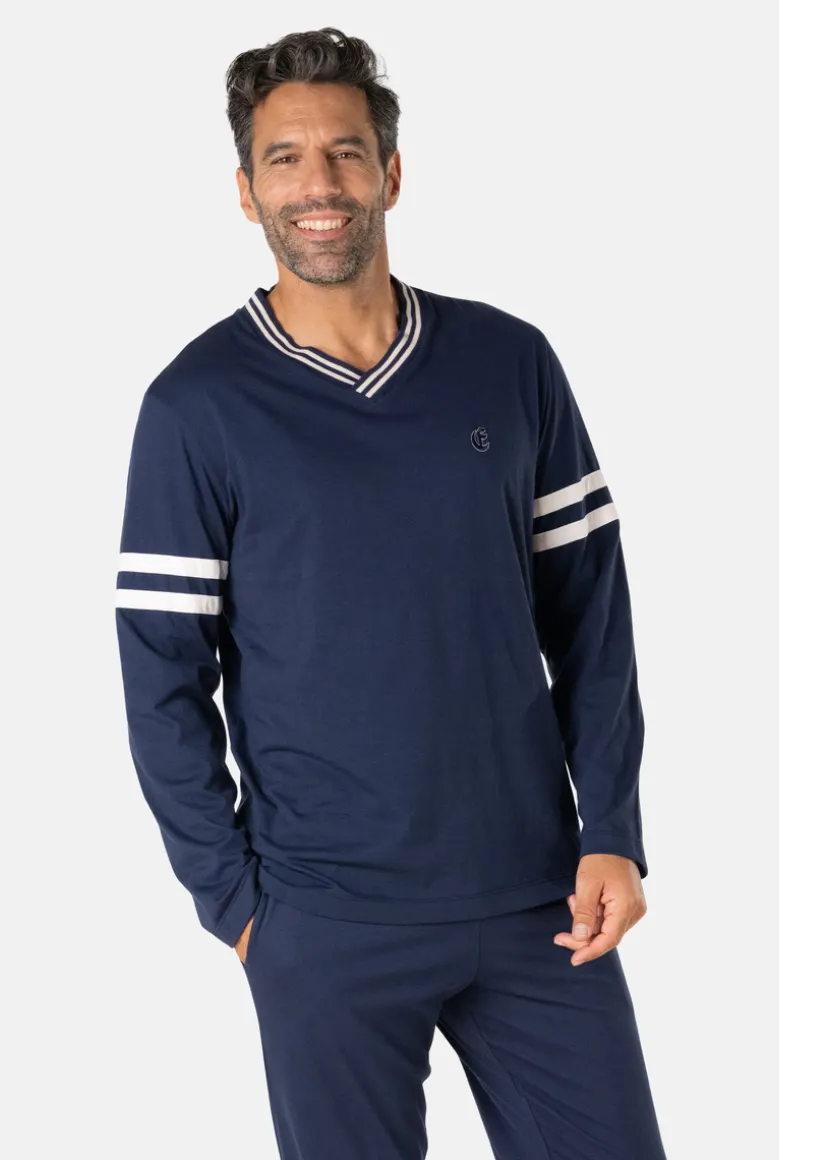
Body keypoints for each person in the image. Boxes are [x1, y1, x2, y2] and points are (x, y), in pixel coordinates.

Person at [114, 26, 666, 1160]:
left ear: (391, 173)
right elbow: (161, 677)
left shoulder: (510, 361)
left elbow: (591, 614)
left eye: (345, 153)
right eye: (284, 159)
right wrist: (237, 905)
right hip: (324, 921)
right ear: (245, 191)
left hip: (539, 902)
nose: (317, 184)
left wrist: (611, 827)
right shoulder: (194, 406)